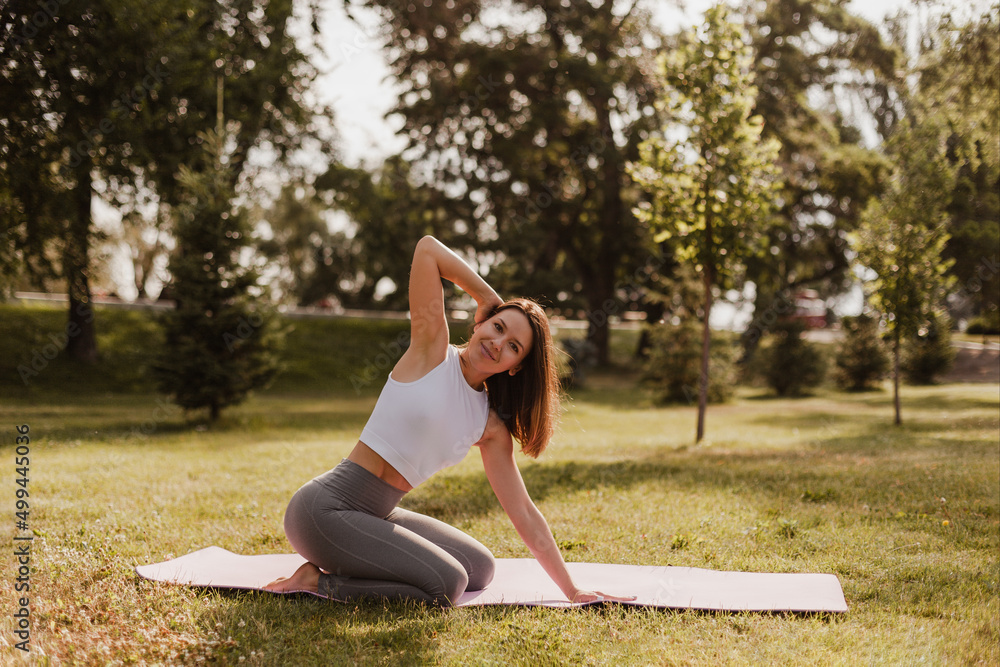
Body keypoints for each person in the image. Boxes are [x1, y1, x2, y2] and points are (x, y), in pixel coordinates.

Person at [266, 236, 632, 606]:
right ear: (482, 322)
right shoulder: (432, 349)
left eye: (513, 347)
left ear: (515, 367)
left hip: (376, 512)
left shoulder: (489, 427)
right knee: (447, 583)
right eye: (499, 327)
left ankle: (354, 558)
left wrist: (571, 589)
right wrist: (486, 297)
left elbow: (522, 511)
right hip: (324, 509)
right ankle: (317, 581)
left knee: (480, 567)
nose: (497, 343)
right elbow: (427, 249)